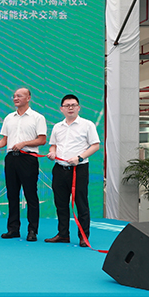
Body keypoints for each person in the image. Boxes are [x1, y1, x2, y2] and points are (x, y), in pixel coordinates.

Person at [0, 87, 47, 242]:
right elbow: (5, 139)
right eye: (14, 96)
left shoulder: (37, 117)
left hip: (28, 158)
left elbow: (42, 140)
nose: (16, 98)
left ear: (28, 98)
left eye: (19, 96)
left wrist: (24, 143)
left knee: (30, 195)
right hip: (11, 159)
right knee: (12, 195)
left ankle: (32, 230)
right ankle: (13, 229)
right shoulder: (9, 118)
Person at [45, 94, 100, 246]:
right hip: (59, 169)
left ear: (78, 108)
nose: (70, 108)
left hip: (78, 169)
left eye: (73, 105)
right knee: (61, 203)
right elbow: (53, 145)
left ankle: (83, 236)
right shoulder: (57, 127)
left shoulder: (87, 125)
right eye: (67, 105)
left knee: (81, 203)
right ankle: (63, 234)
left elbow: (95, 145)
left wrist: (79, 158)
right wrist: (52, 152)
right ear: (61, 109)